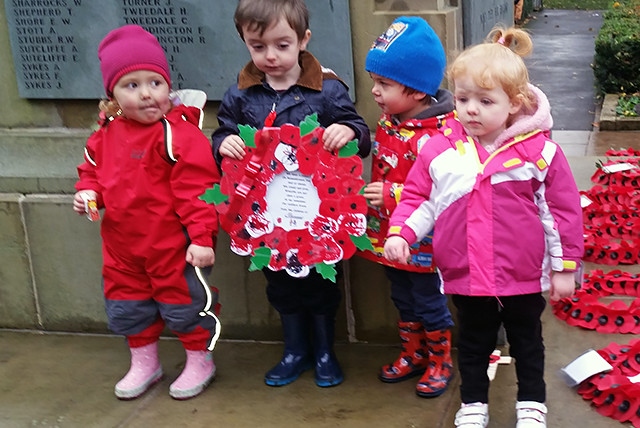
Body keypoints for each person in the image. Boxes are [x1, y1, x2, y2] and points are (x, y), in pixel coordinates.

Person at [383, 26, 584, 427]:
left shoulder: (539, 153)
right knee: (473, 342)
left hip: (522, 275)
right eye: (462, 99)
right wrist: (401, 232)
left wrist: (564, 268)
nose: (471, 109)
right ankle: (473, 402)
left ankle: (531, 404)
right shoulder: (440, 149)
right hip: (466, 273)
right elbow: (421, 198)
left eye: (485, 101)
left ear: (515, 103)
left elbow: (561, 213)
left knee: (527, 342)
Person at [212, 0, 370, 388]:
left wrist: (348, 131)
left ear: (303, 40)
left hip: (318, 215)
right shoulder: (241, 95)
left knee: (321, 282)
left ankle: (324, 350)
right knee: (280, 283)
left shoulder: (327, 90)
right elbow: (222, 133)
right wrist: (224, 143)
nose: (270, 56)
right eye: (257, 46)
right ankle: (294, 350)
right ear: (245, 42)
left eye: (282, 45)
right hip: (269, 217)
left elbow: (360, 133)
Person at [73, 25, 221, 401]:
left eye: (155, 82)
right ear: (114, 95)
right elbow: (92, 170)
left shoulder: (178, 134)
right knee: (128, 303)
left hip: (172, 245)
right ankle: (144, 361)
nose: (146, 94)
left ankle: (199, 359)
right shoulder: (105, 134)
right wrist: (89, 192)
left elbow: (199, 191)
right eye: (132, 85)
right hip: (123, 246)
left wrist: (202, 238)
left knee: (184, 302)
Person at [359, 16, 455, 398]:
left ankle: (439, 360)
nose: (375, 91)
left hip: (424, 240)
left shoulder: (442, 134)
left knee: (428, 299)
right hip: (388, 235)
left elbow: (442, 190)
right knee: (401, 296)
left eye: (384, 83)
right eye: (374, 81)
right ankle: (413, 352)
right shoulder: (388, 123)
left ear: (416, 90)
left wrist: (394, 195)